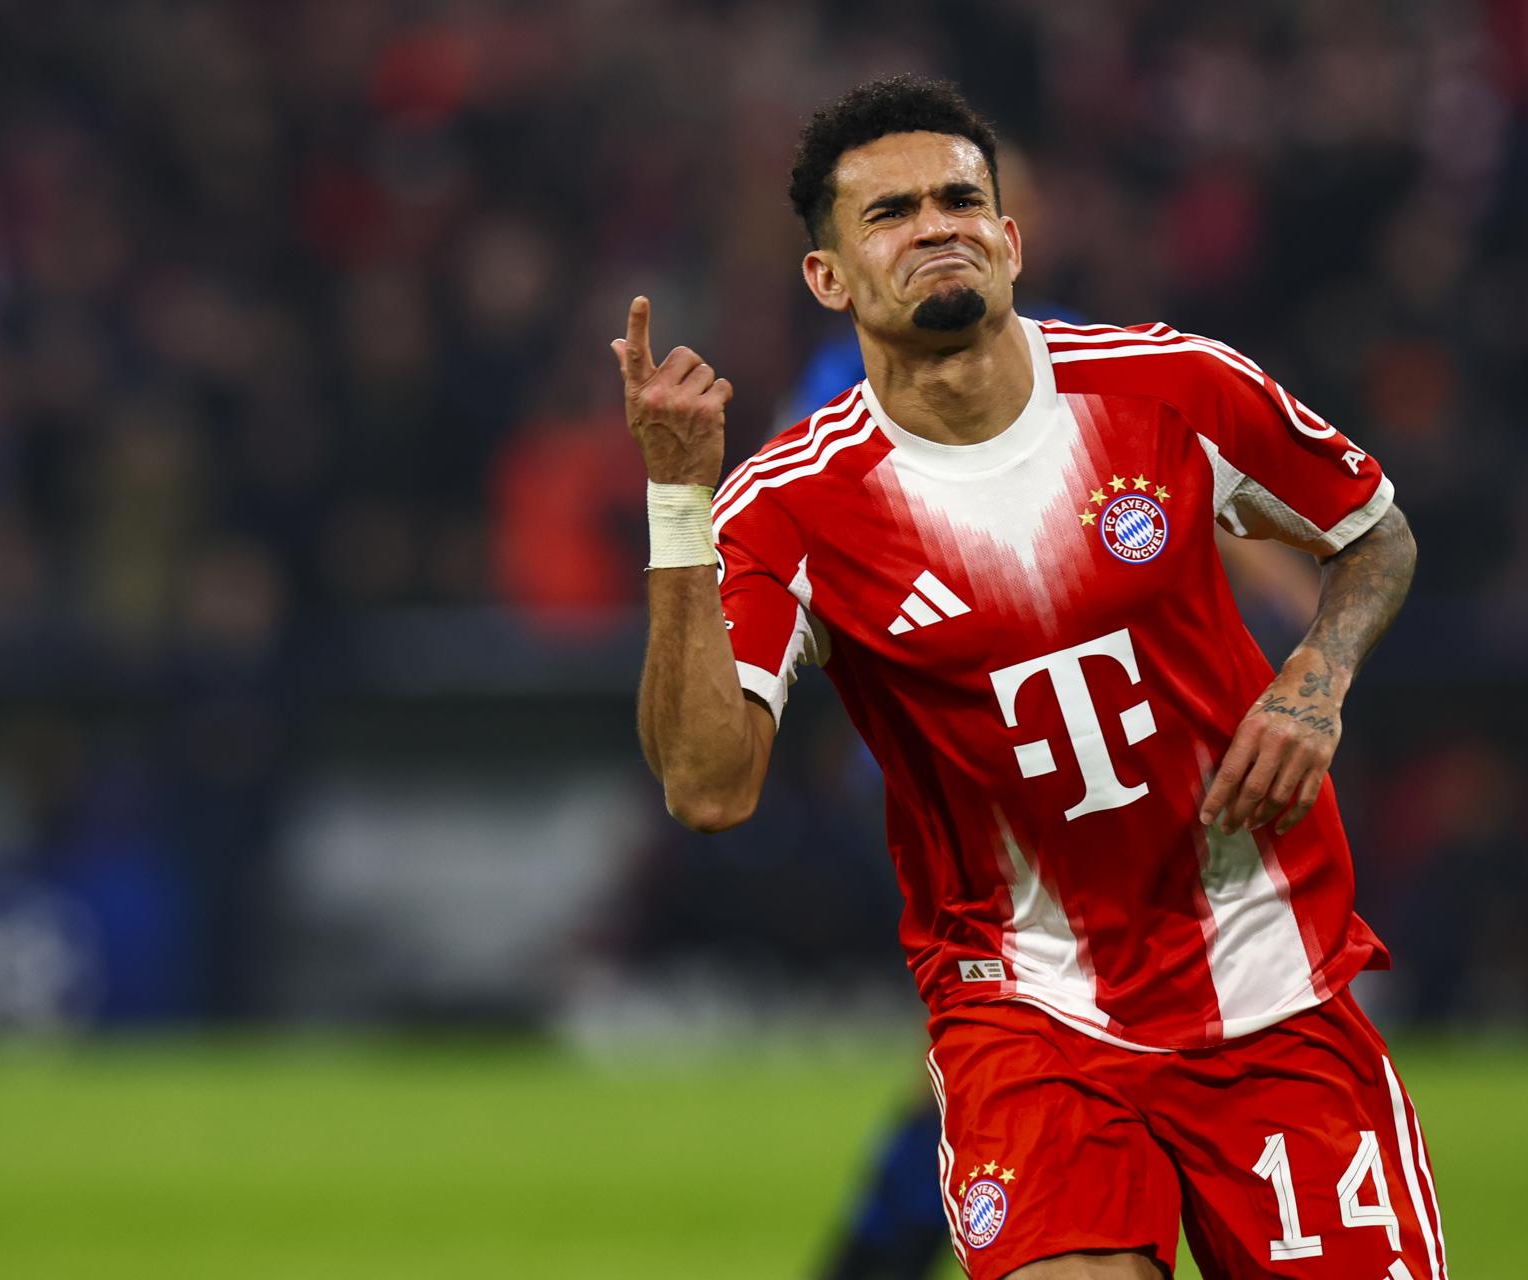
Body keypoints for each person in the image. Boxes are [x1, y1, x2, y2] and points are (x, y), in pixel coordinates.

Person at [612, 74, 1446, 1280]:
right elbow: (706, 783)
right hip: (1028, 1009)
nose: (935, 226)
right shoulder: (787, 506)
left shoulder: (1174, 385)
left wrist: (1316, 674)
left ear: (1010, 236)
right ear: (828, 277)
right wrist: (678, 501)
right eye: (891, 212)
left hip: (1270, 978)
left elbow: (1373, 531)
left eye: (959, 200)